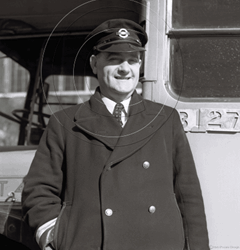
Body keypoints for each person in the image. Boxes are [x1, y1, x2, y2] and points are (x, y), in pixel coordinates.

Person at [22, 19, 210, 250]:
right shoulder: (64, 123)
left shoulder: (166, 119)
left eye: (132, 60)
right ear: (94, 63)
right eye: (114, 59)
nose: (125, 68)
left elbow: (189, 195)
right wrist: (53, 237)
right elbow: (38, 190)